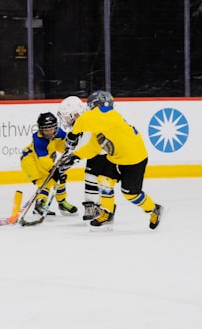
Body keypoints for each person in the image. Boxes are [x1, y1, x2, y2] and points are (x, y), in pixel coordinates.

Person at [60, 90, 164, 231]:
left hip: (134, 159)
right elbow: (94, 146)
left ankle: (154, 209)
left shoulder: (110, 116)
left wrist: (73, 134)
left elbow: (86, 119)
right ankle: (107, 213)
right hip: (117, 158)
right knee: (104, 180)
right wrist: (75, 156)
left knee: (131, 194)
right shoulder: (100, 122)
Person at [19, 112, 78, 225]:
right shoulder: (39, 140)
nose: (50, 132)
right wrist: (53, 170)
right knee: (45, 181)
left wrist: (72, 144)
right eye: (46, 130)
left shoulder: (59, 132)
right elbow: (43, 162)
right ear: (41, 130)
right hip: (30, 162)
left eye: (52, 128)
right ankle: (40, 204)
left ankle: (62, 202)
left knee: (61, 177)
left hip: (46, 160)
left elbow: (63, 146)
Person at [57, 95, 104, 221]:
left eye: (67, 117)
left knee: (94, 177)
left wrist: (65, 163)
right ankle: (98, 207)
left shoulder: (87, 121)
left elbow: (83, 148)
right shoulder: (81, 121)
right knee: (92, 176)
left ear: (76, 114)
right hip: (97, 153)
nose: (66, 120)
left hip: (105, 154)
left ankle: (99, 208)